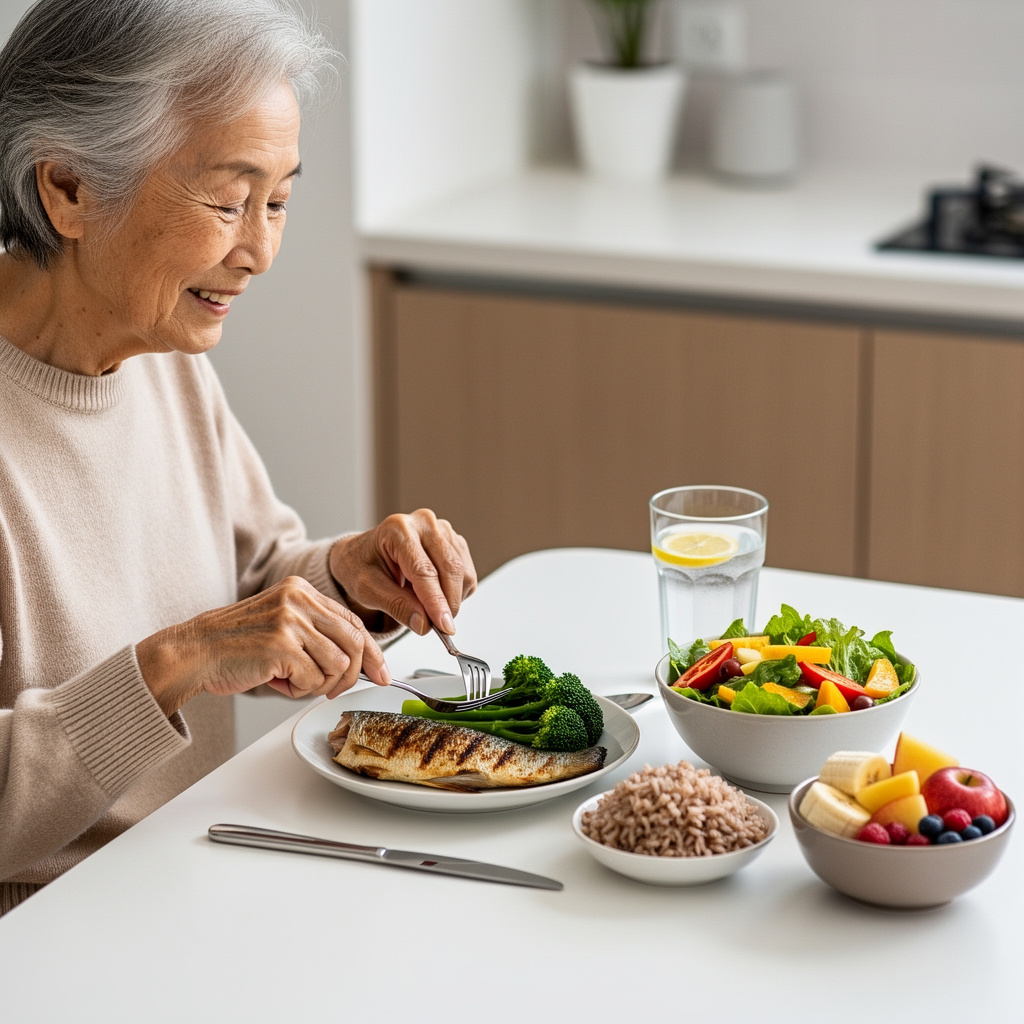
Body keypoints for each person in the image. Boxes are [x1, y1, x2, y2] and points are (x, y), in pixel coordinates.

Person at [0, 0, 477, 915]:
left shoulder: (153, 350)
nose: (259, 250)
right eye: (227, 202)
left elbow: (251, 578)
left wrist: (346, 577)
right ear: (67, 190)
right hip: (44, 928)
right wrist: (173, 663)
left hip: (194, 868)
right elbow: (202, 642)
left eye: (281, 200)